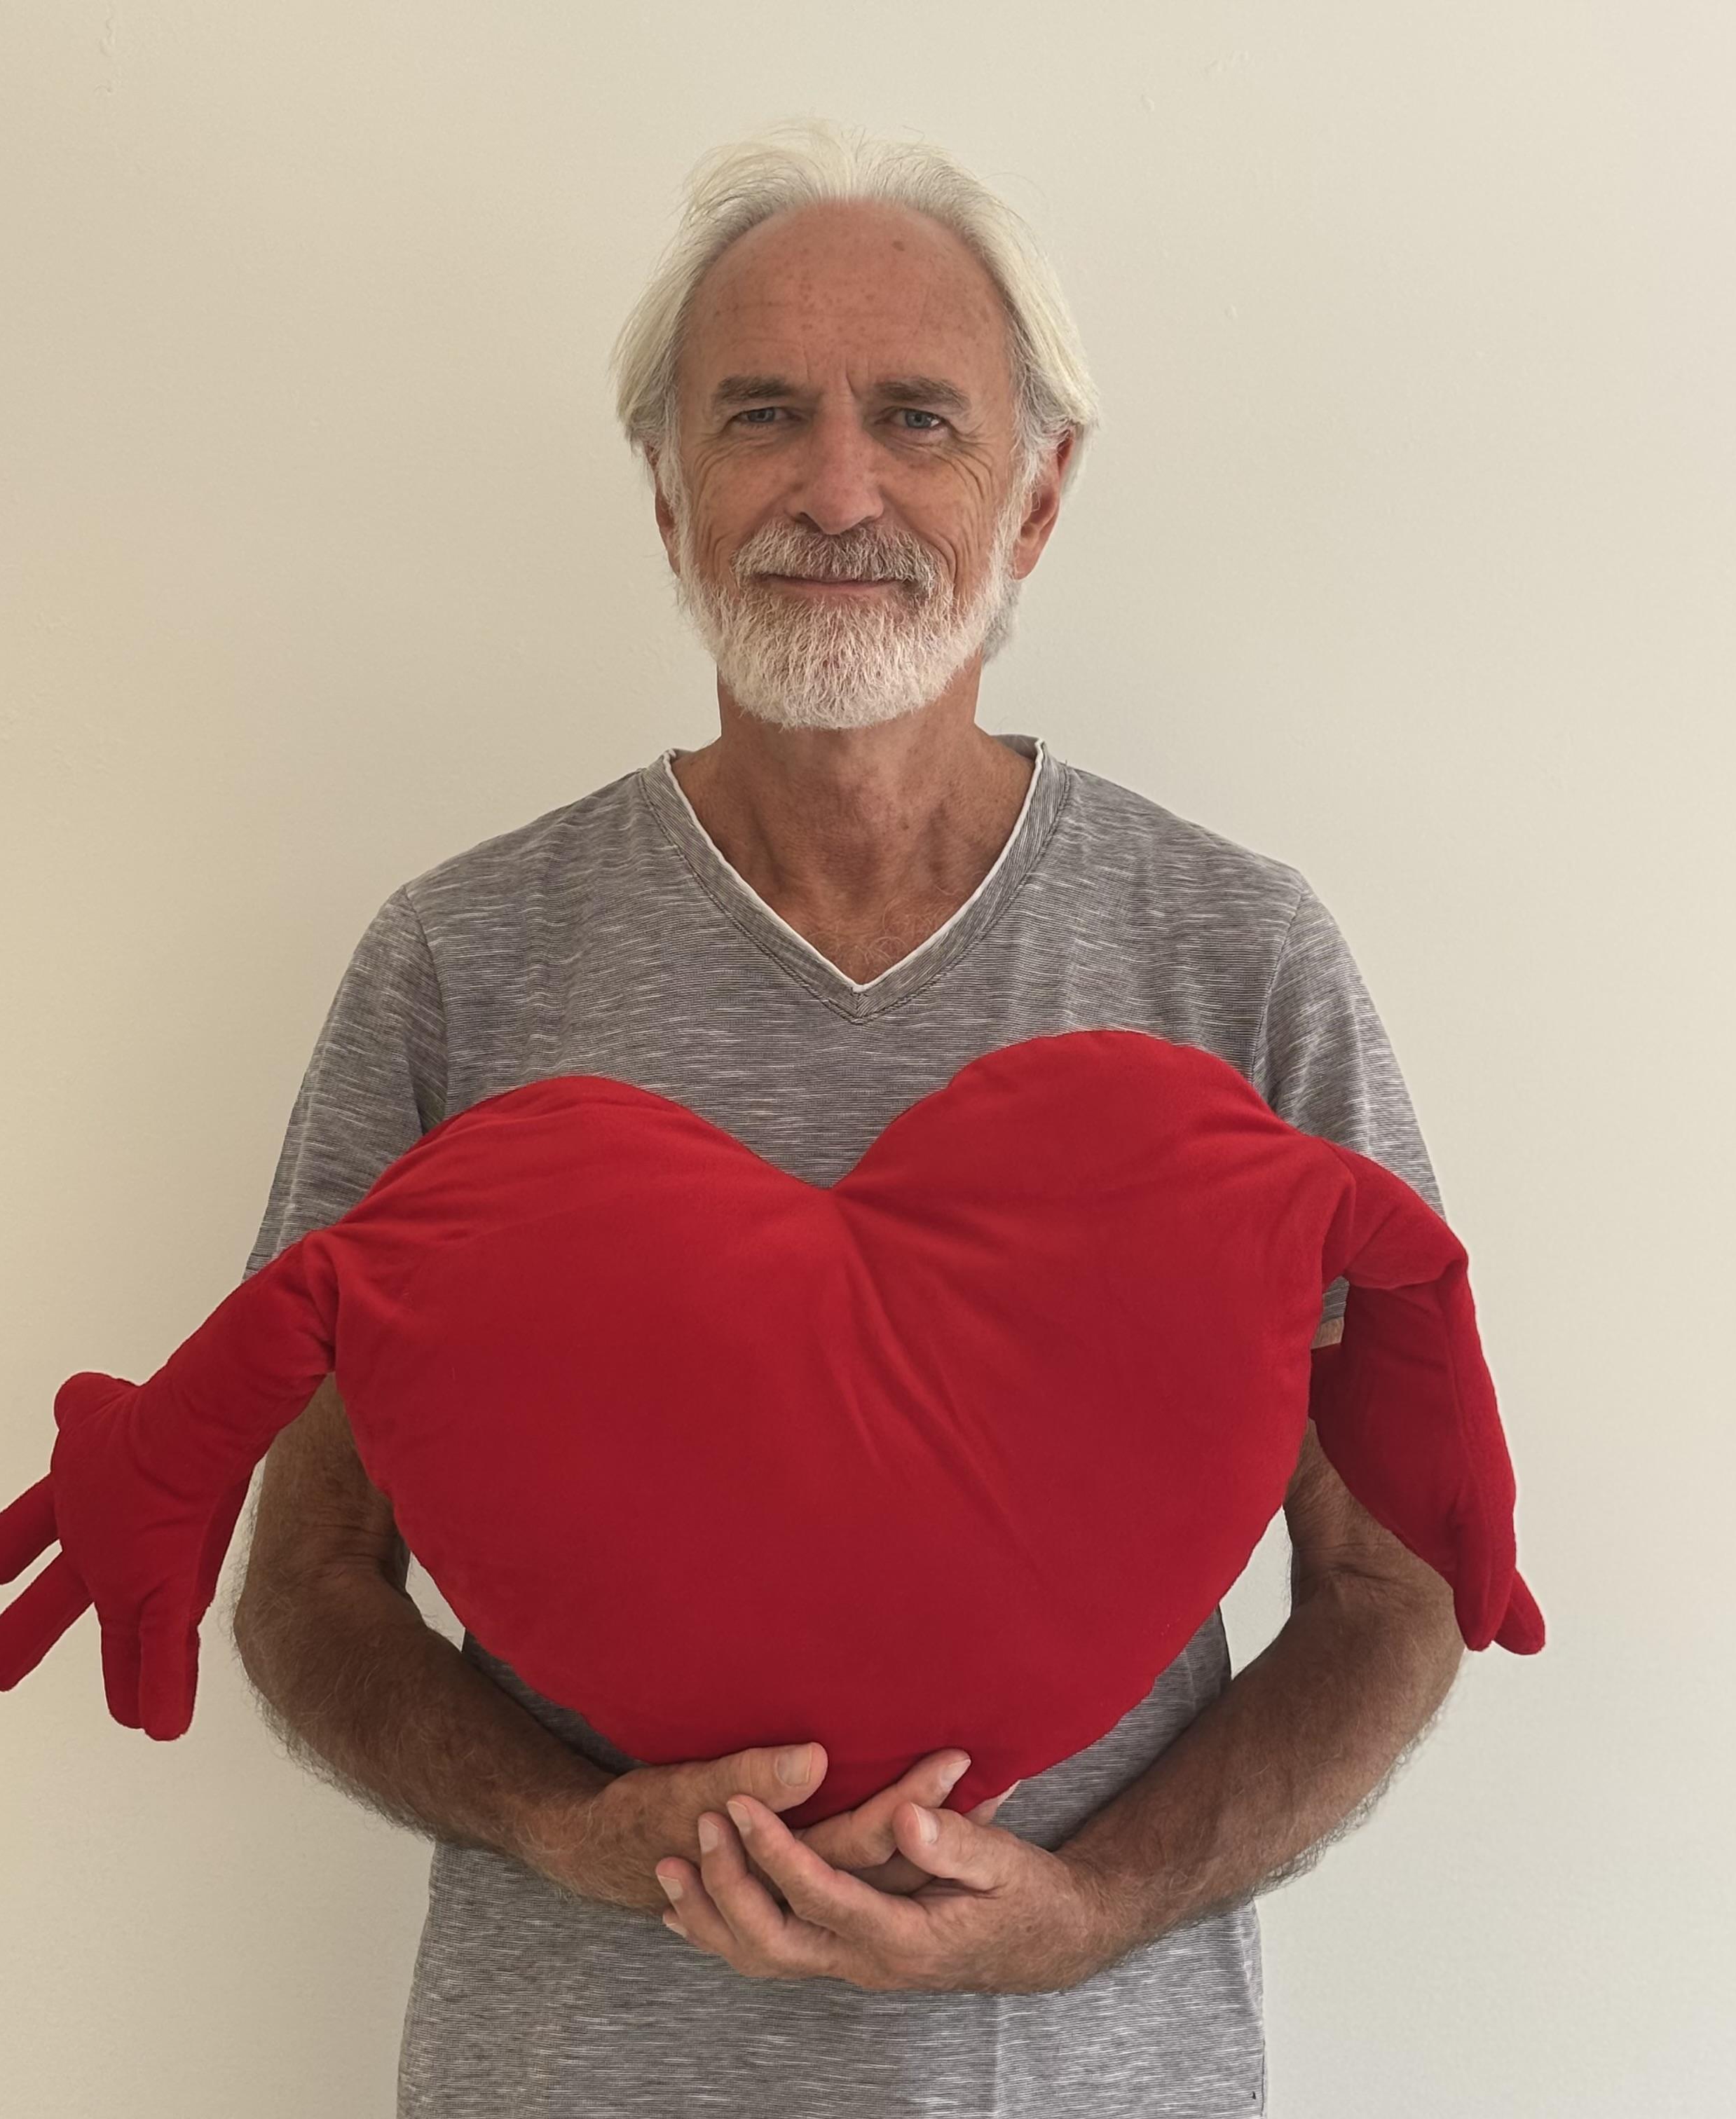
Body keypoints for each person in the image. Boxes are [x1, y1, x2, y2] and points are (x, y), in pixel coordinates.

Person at [228, 118, 1468, 2119]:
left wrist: (1094, 1909)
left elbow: (1395, 1589)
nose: (836, 488)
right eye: (760, 416)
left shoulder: (1236, 958)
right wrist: (564, 1827)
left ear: (1037, 494)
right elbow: (306, 1581)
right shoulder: (464, 963)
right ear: (666, 491)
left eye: (917, 419)